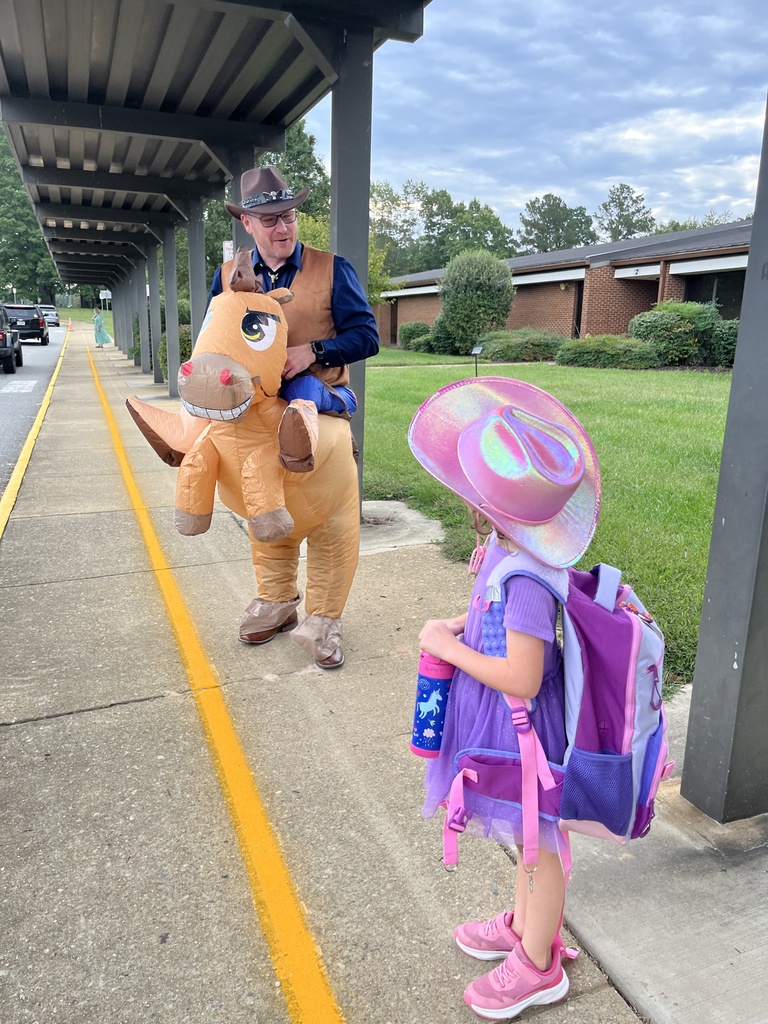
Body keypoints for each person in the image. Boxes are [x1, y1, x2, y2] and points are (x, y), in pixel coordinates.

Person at [408, 377, 601, 1021]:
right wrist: (473, 603)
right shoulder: (506, 548)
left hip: (525, 734)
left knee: (541, 848)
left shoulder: (526, 579)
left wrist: (443, 642)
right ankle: (523, 925)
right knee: (527, 842)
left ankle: (540, 962)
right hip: (507, 728)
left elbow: (521, 675)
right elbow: (497, 613)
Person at [207, 165, 379, 664]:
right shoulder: (228, 279)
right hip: (260, 417)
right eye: (270, 220)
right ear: (247, 224)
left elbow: (367, 335)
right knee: (267, 512)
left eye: (289, 216)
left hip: (321, 405)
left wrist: (314, 351)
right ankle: (277, 599)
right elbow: (217, 339)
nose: (283, 228)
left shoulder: (332, 268)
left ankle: (324, 618)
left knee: (330, 525)